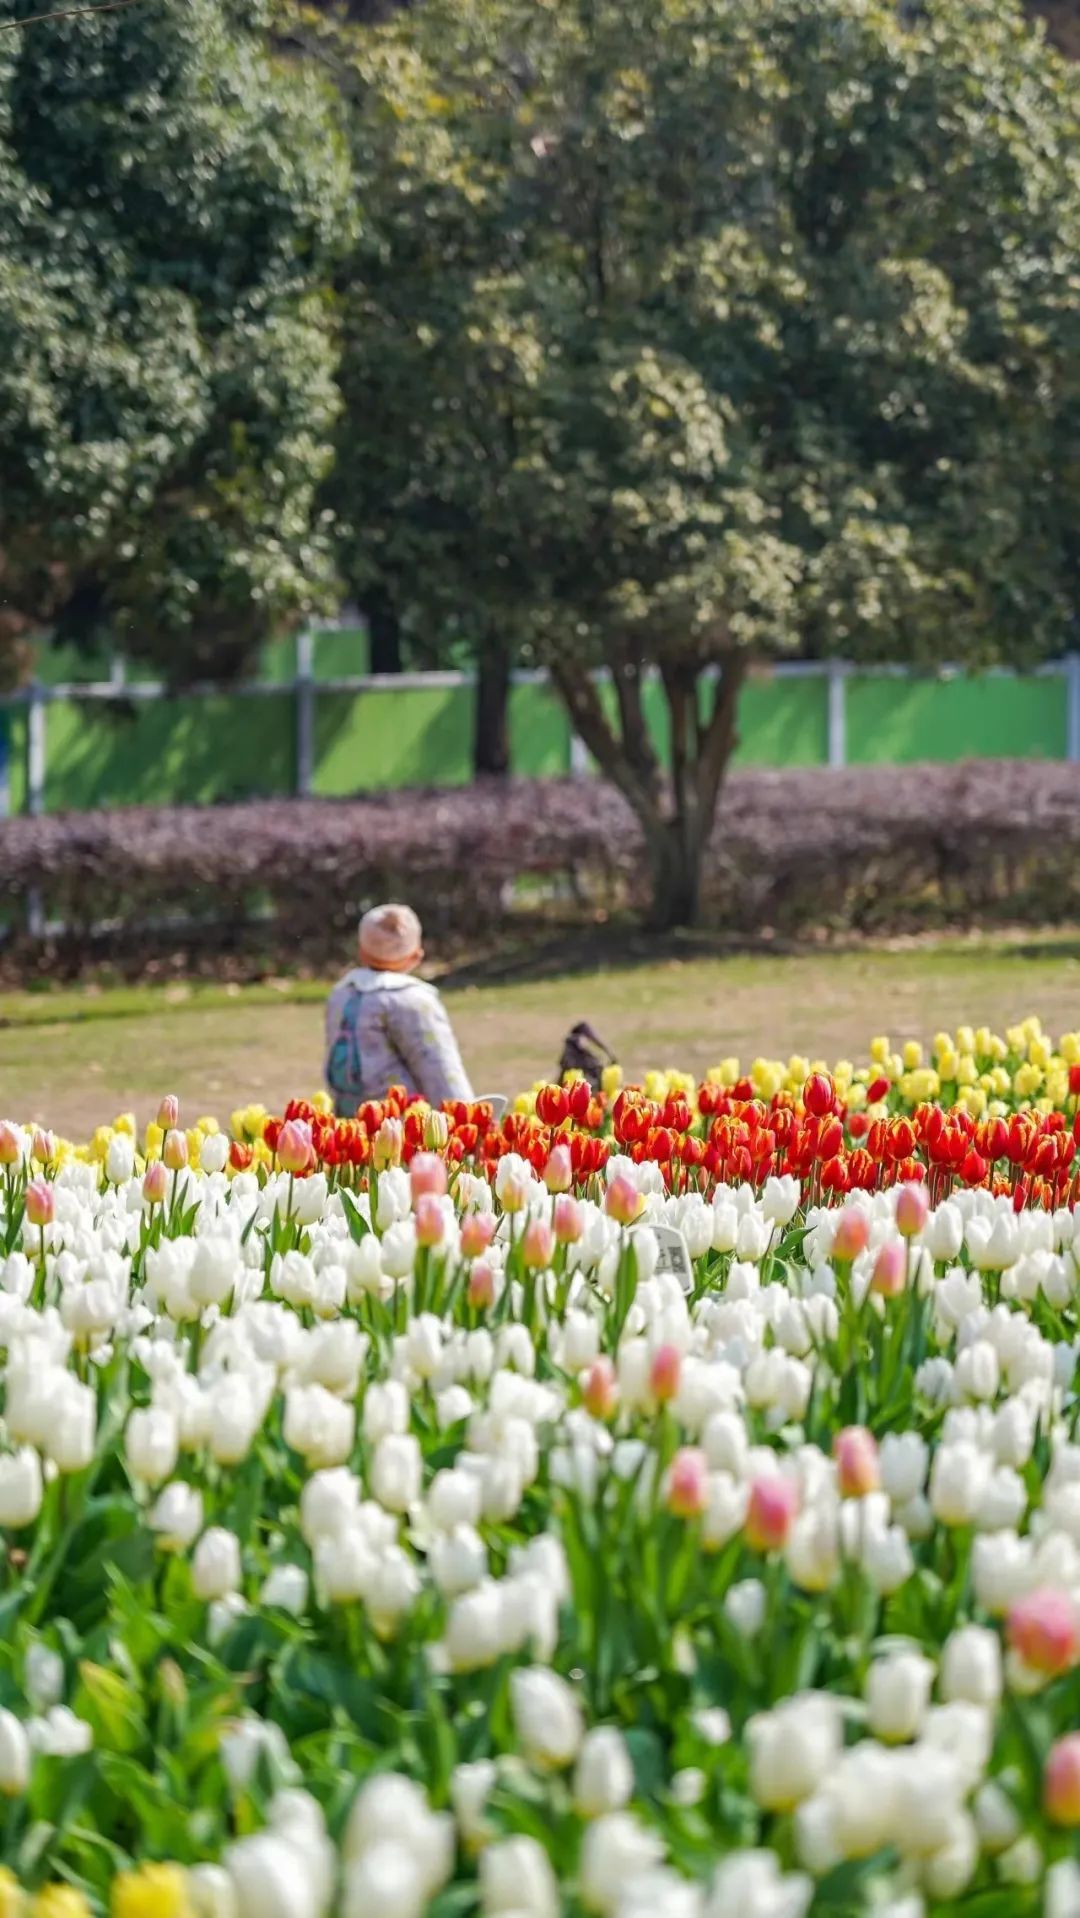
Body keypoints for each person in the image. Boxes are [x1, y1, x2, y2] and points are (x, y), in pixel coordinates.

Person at [324, 903, 474, 1114]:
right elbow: (439, 1066)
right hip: (400, 1121)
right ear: (416, 956)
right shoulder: (411, 999)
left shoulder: (341, 993)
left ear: (361, 951)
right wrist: (465, 1115)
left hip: (350, 1117)